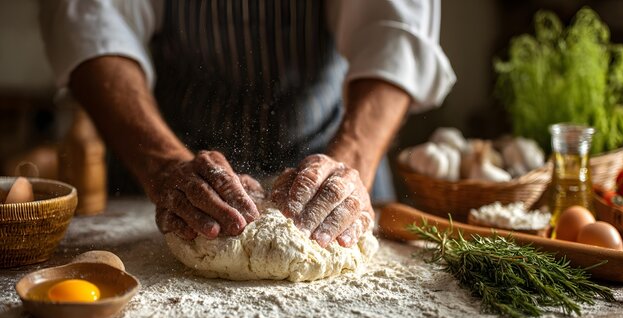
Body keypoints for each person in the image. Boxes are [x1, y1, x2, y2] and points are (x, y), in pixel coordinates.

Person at [40, 0, 455, 247]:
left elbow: (396, 29)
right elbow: (91, 19)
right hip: (171, 169)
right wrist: (165, 166)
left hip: (334, 149)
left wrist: (352, 163)